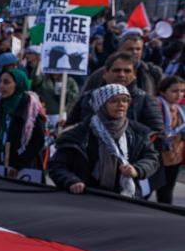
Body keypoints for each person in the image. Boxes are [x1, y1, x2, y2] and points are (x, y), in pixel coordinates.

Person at [49, 84, 160, 197]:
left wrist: (137, 169)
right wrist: (71, 181)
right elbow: (57, 166)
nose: (121, 104)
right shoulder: (79, 134)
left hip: (126, 198)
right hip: (86, 197)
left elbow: (151, 158)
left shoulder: (138, 132)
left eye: (125, 100)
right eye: (114, 101)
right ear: (101, 104)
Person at [66, 52, 163, 133]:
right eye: (116, 70)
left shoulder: (145, 100)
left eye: (127, 71)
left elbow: (156, 135)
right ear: (105, 74)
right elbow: (71, 128)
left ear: (134, 75)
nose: (121, 74)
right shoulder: (88, 98)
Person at [155, 75, 185, 204]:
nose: (179, 95)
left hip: (174, 157)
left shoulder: (179, 108)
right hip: (157, 157)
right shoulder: (156, 105)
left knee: (166, 192)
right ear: (162, 91)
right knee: (146, 192)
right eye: (174, 91)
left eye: (182, 91)